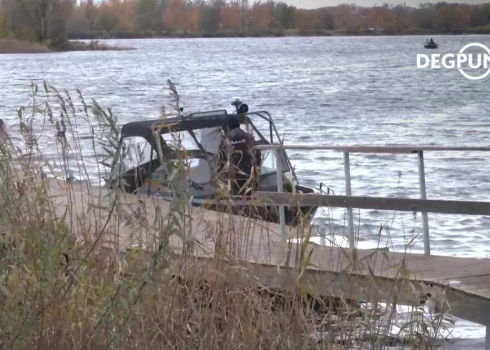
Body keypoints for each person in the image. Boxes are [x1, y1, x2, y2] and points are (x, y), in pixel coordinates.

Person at [219, 116, 261, 196]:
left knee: (236, 195)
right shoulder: (248, 136)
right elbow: (257, 152)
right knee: (250, 193)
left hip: (235, 173)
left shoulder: (226, 140)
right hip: (250, 171)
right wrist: (257, 166)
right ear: (238, 125)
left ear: (228, 126)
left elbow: (222, 158)